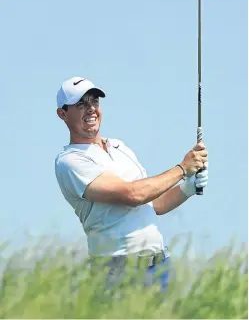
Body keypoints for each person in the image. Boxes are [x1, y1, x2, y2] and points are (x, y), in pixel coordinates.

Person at [55, 76, 208, 292]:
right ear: (62, 114)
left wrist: (188, 187)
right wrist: (182, 169)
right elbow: (132, 195)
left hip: (159, 265)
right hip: (117, 272)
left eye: (94, 102)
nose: (90, 109)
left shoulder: (120, 147)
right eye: (80, 104)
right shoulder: (70, 161)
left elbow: (154, 205)